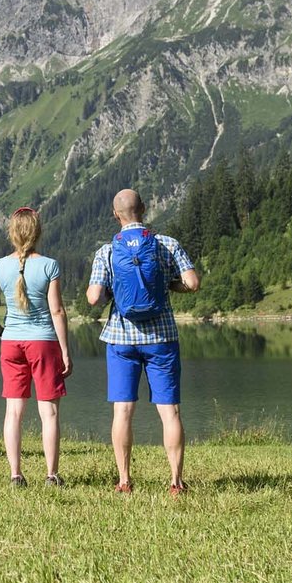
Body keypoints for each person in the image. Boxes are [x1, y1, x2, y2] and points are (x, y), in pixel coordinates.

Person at [86, 189, 201, 496]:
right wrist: (167, 285)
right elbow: (192, 282)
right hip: (162, 337)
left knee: (122, 411)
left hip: (121, 340)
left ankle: (124, 480)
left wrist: (113, 292)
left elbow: (94, 297)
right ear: (145, 209)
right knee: (170, 412)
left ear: (116, 215)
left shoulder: (107, 251)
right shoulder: (166, 244)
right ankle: (176, 482)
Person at [0, 207, 73, 487]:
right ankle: (51, 476)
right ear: (37, 232)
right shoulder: (49, 265)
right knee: (50, 413)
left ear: (12, 232)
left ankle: (16, 475)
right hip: (43, 342)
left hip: (11, 343)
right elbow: (57, 312)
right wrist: (65, 351)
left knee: (14, 412)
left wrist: (0, 331)